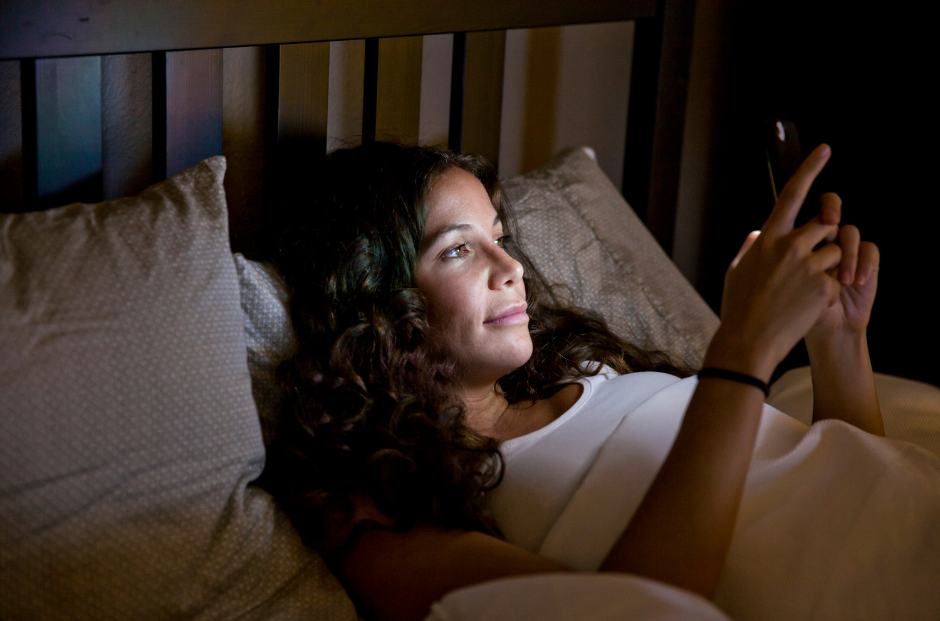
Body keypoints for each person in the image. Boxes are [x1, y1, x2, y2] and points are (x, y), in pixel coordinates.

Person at [260, 141, 939, 621]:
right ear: (372, 299)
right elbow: (638, 609)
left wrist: (839, 339)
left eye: (501, 237)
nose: (511, 267)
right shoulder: (382, 515)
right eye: (459, 249)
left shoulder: (590, 372)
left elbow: (854, 482)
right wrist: (742, 352)